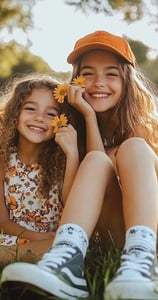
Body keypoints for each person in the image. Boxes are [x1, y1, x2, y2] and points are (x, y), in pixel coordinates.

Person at [1, 30, 158, 300]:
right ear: (74, 81)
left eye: (111, 74)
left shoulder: (138, 129)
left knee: (132, 148)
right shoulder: (71, 127)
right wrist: (86, 117)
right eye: (87, 73)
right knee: (96, 159)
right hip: (108, 233)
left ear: (127, 81)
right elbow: (89, 178)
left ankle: (143, 260)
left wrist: (88, 114)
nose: (98, 83)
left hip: (146, 227)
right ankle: (67, 263)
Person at [0, 73, 80, 264]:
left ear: (62, 121)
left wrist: (72, 154)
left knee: (66, 244)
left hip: (57, 239)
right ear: (14, 113)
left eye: (51, 113)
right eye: (30, 108)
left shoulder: (62, 162)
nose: (39, 118)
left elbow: (73, 206)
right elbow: (2, 222)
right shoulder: (3, 160)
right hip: (18, 237)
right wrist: (36, 238)